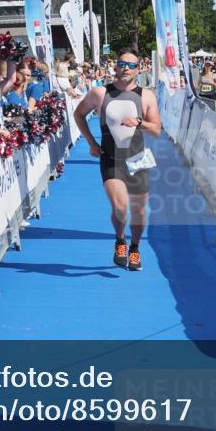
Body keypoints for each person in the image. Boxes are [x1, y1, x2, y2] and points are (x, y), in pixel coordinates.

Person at [73, 47, 161, 272]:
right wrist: (92, 143)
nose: (126, 68)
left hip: (138, 159)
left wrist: (139, 123)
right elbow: (78, 114)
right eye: (122, 64)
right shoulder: (100, 93)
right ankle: (120, 240)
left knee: (139, 211)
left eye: (131, 65)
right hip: (111, 158)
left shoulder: (146, 96)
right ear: (115, 66)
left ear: (138, 69)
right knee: (120, 207)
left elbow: (156, 130)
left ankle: (135, 248)